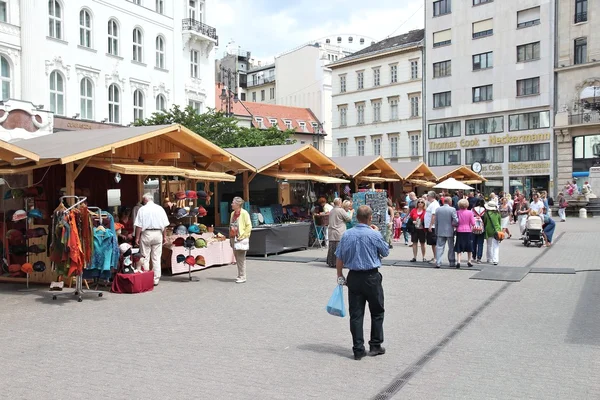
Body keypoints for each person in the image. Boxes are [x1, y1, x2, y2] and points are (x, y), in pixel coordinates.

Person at [335, 205, 389, 360]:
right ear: (370, 218)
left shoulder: (347, 235)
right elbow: (385, 252)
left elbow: (340, 256)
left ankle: (358, 349)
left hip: (354, 277)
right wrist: (378, 233)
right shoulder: (374, 234)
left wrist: (340, 274)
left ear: (356, 218)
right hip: (371, 277)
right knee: (377, 311)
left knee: (356, 314)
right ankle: (375, 345)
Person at [134, 193, 170, 286]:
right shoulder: (160, 209)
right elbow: (164, 225)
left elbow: (139, 226)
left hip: (146, 234)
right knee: (156, 257)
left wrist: (137, 237)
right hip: (158, 233)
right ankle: (156, 279)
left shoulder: (142, 209)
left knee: (145, 257)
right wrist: (164, 236)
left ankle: (146, 276)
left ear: (145, 200)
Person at [230, 197, 252, 283]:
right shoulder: (232, 213)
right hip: (233, 237)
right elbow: (231, 225)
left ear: (238, 204)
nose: (231, 204)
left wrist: (243, 235)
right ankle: (240, 275)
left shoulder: (244, 213)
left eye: (233, 203)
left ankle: (243, 276)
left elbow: (249, 226)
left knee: (241, 258)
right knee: (237, 258)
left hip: (240, 238)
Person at [327, 198, 352, 268]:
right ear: (339, 203)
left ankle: (331, 262)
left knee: (332, 248)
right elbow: (348, 219)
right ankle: (339, 263)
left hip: (332, 232)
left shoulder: (331, 210)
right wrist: (352, 212)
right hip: (339, 232)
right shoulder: (341, 210)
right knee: (339, 248)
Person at [434, 197, 458, 268]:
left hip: (440, 230)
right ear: (450, 202)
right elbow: (456, 220)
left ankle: (438, 262)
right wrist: (454, 225)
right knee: (451, 247)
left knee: (439, 247)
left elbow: (436, 222)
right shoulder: (452, 209)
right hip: (450, 230)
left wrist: (436, 230)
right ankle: (452, 262)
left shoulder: (438, 209)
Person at [455, 198, 476, 268]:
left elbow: (455, 222)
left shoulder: (457, 212)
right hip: (468, 230)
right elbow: (473, 223)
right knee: (469, 246)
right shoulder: (470, 212)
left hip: (459, 230)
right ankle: (469, 261)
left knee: (459, 246)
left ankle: (458, 261)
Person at [483, 201, 502, 265]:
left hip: (488, 230)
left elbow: (485, 222)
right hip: (497, 230)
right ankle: (495, 260)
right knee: (496, 246)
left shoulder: (486, 213)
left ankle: (489, 259)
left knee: (489, 245)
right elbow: (499, 222)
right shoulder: (498, 213)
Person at [424, 191, 439, 263]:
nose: (427, 197)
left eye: (428, 196)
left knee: (434, 243)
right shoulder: (432, 204)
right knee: (432, 243)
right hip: (430, 226)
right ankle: (435, 257)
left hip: (432, 226)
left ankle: (436, 258)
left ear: (430, 196)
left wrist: (430, 225)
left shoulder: (434, 204)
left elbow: (434, 215)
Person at [472, 199, 486, 264]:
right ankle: (479, 258)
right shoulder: (485, 210)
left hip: (474, 228)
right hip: (481, 228)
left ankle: (473, 256)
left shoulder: (473, 209)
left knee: (473, 242)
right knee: (480, 243)